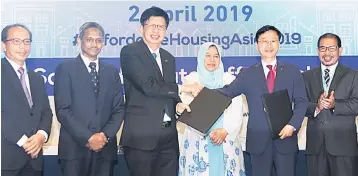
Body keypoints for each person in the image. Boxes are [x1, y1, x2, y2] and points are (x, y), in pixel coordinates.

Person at [216, 25, 308, 176]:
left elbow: (301, 101)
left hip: (286, 138)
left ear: (279, 44)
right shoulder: (247, 73)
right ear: (257, 45)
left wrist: (292, 125)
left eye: (273, 41)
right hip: (258, 141)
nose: (269, 45)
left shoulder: (292, 71)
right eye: (264, 41)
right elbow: (228, 91)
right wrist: (202, 91)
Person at [119, 7, 202, 176]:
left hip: (168, 137)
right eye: (152, 26)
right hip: (142, 136)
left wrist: (178, 103)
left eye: (161, 27)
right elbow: (148, 86)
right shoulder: (130, 52)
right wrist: (185, 87)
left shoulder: (168, 57)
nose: (156, 31)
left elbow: (168, 90)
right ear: (141, 28)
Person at [54, 22, 125, 176]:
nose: (94, 44)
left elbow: (119, 109)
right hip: (74, 150)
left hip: (105, 150)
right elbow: (63, 110)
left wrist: (104, 136)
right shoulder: (65, 69)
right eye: (89, 39)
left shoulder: (111, 72)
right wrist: (88, 138)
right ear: (79, 41)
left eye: (98, 40)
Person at [176, 42, 247, 176]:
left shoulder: (229, 79)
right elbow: (187, 109)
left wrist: (225, 131)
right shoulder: (192, 79)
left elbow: (237, 109)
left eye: (216, 56)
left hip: (225, 138)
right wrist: (205, 130)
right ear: (201, 57)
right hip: (197, 138)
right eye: (207, 55)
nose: (212, 60)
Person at [302, 33, 358, 176]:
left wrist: (335, 105)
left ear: (340, 50)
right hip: (315, 147)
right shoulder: (306, 76)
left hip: (343, 146)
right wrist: (317, 107)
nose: (327, 53)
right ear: (317, 51)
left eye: (332, 48)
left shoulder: (353, 75)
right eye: (323, 48)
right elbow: (299, 105)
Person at [1, 24, 53, 176]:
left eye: (27, 41)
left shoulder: (36, 78)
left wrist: (41, 136)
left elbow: (46, 111)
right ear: (3, 45)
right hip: (6, 158)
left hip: (34, 160)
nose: (22, 46)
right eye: (16, 41)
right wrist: (24, 141)